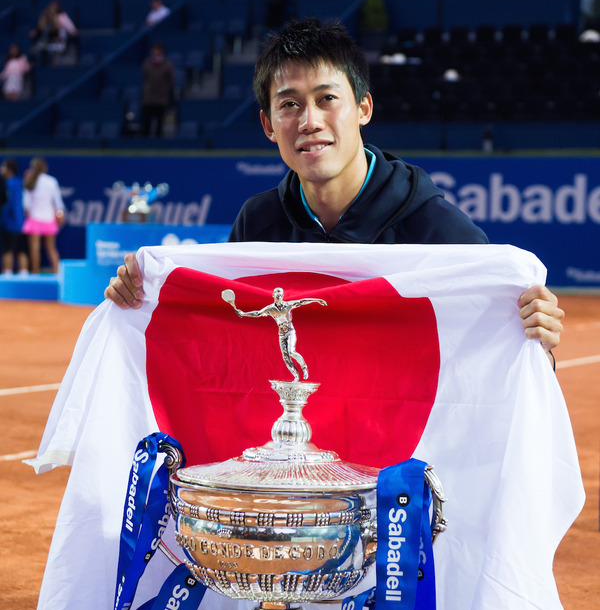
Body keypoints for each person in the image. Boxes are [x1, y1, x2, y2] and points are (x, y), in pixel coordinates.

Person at [105, 18, 564, 357]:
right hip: (297, 466)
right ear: (268, 125)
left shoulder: (436, 227)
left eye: (327, 99)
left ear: (363, 107)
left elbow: (495, 361)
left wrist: (535, 338)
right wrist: (144, 298)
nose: (309, 121)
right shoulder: (258, 222)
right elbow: (230, 339)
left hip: (394, 471)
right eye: (289, 105)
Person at [222, 286, 327, 380]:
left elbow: (302, 301)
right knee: (285, 356)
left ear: (283, 295)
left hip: (290, 332)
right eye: (277, 292)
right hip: (281, 334)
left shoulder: (288, 305)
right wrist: (244, 314)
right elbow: (258, 313)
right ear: (273, 295)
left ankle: (304, 368)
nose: (279, 295)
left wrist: (317, 300)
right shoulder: (270, 308)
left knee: (291, 352)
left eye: (281, 293)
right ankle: (296, 376)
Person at [22, 157, 65, 274]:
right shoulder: (52, 181)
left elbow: (26, 205)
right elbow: (58, 203)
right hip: (48, 219)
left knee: (34, 249)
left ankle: (35, 274)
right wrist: (60, 216)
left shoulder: (29, 180)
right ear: (45, 168)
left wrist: (28, 217)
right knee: (51, 248)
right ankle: (58, 274)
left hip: (34, 219)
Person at [141, 43, 175, 138]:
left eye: (157, 51)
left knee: (159, 122)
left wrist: (165, 90)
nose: (155, 53)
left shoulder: (168, 65)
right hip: (149, 97)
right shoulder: (147, 63)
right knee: (147, 121)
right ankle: (144, 143)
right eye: (154, 51)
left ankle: (158, 142)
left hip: (161, 98)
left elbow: (171, 80)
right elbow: (145, 77)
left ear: (161, 51)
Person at [1, 158, 27, 275]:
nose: (1, 169)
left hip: (10, 223)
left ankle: (7, 273)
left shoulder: (7, 184)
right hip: (21, 223)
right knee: (21, 249)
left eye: (3, 166)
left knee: (8, 250)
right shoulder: (21, 183)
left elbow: (8, 204)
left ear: (9, 170)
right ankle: (24, 273)